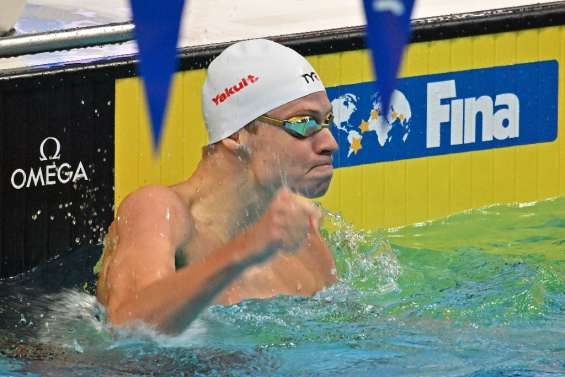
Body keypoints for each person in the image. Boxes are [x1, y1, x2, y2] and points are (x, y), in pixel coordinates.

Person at [96, 39, 339, 334]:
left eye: (327, 121)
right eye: (303, 122)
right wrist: (247, 248)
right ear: (237, 136)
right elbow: (127, 325)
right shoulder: (160, 210)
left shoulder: (303, 241)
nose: (330, 143)